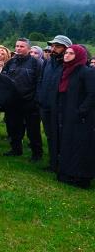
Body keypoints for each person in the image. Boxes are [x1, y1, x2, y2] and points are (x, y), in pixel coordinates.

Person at [53, 44, 95, 188]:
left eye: (71, 53)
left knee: (80, 146)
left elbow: (92, 94)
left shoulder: (87, 72)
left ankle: (81, 177)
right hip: (67, 114)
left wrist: (81, 111)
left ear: (79, 56)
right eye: (66, 53)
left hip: (81, 117)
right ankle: (67, 173)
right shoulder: (66, 71)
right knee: (68, 144)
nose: (67, 55)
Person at [1, 38, 43, 161]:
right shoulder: (11, 62)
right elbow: (4, 79)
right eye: (17, 46)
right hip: (13, 102)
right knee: (13, 127)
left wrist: (36, 100)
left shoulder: (36, 63)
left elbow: (40, 82)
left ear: (29, 49)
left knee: (33, 130)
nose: (18, 48)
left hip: (30, 102)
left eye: (22, 46)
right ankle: (15, 149)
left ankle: (37, 154)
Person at [37, 35, 71, 172]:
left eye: (57, 46)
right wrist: (39, 97)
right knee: (50, 135)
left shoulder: (69, 65)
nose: (53, 49)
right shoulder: (48, 62)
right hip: (45, 105)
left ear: (66, 48)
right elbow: (40, 80)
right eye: (52, 46)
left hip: (60, 107)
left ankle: (63, 164)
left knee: (62, 136)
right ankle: (53, 163)